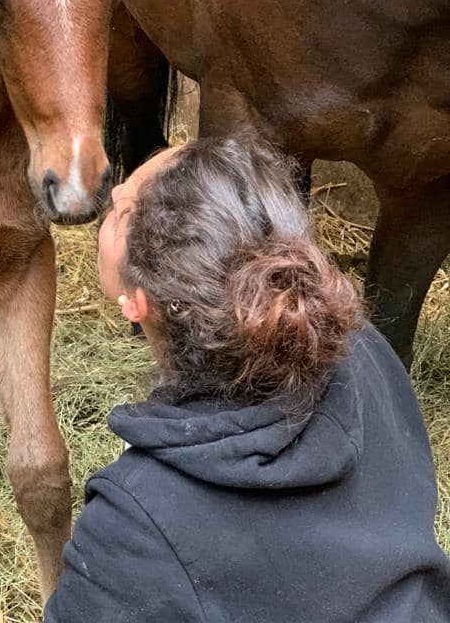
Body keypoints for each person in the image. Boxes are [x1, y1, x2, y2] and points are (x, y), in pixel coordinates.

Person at [44, 138, 450, 622]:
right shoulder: (361, 347)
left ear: (137, 303)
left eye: (124, 213)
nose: (113, 193)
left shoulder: (133, 526)